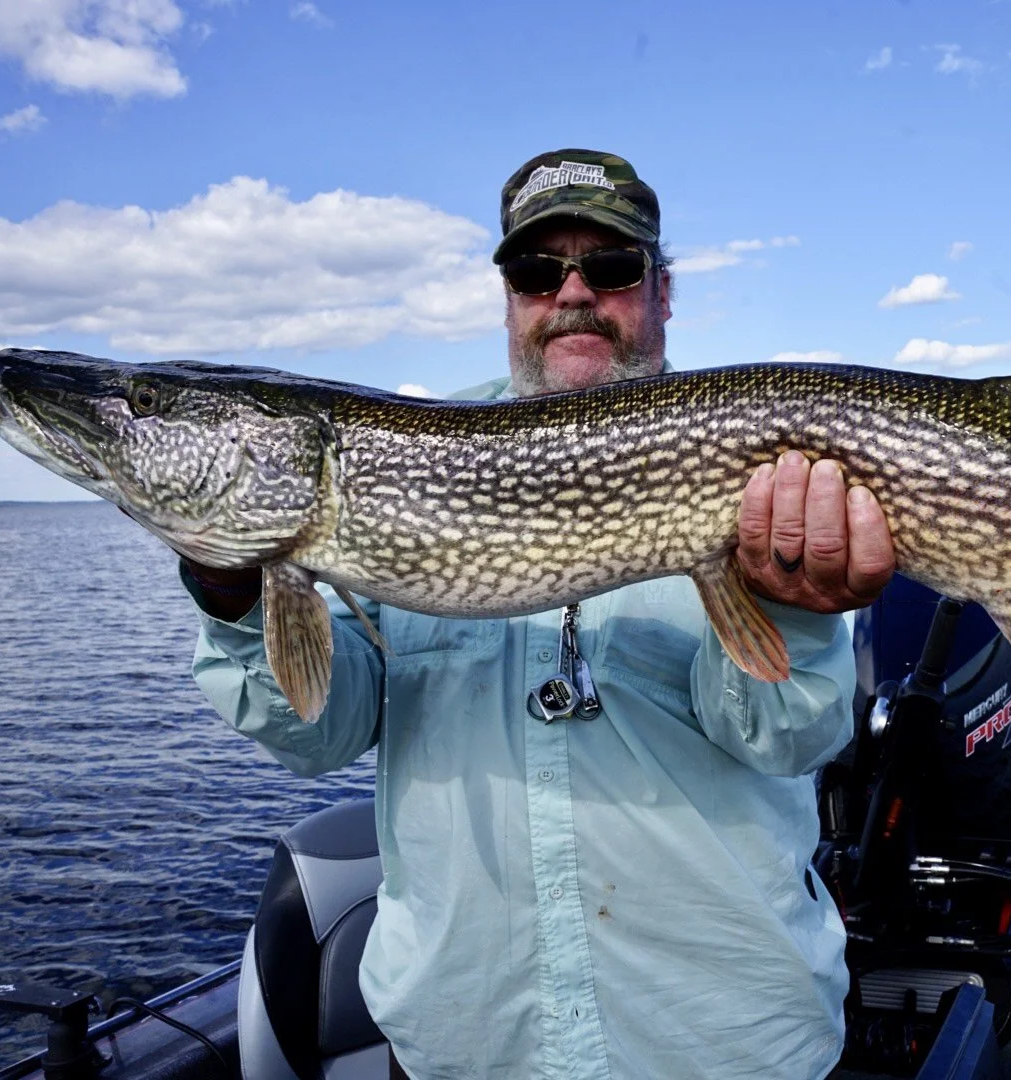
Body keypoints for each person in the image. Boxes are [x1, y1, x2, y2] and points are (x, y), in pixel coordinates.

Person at [179, 149, 897, 1079]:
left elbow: (785, 741)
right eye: (534, 271)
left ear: (662, 292)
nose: (571, 293)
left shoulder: (761, 468)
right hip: (466, 1043)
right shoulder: (413, 457)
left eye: (610, 267)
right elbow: (323, 731)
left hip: (720, 1044)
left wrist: (793, 612)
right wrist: (234, 591)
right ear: (509, 298)